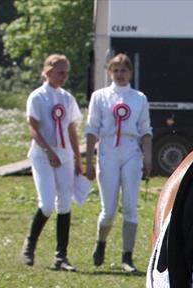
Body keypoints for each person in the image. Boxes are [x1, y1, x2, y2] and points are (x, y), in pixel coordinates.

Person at [83, 53, 152, 273]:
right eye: (116, 70)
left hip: (131, 150)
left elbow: (145, 130)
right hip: (107, 151)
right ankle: (101, 242)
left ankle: (127, 256)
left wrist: (147, 157)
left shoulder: (138, 97)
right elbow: (92, 129)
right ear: (109, 72)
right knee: (109, 210)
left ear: (130, 73)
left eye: (124, 70)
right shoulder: (100, 96)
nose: (120, 74)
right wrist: (89, 162)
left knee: (131, 206)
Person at [21, 54, 82, 271]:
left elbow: (72, 130)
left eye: (66, 72)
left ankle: (61, 256)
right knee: (47, 204)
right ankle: (30, 244)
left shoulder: (67, 98)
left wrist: (77, 159)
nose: (64, 77)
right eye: (60, 72)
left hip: (64, 157)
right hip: (42, 156)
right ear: (48, 72)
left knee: (64, 204)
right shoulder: (37, 97)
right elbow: (33, 128)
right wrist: (48, 151)